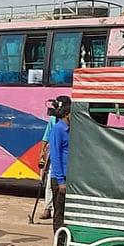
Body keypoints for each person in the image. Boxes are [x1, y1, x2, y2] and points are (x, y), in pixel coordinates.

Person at [48, 98, 71, 232]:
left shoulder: (70, 130)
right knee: (59, 213)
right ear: (67, 114)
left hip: (69, 176)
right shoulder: (58, 129)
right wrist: (61, 181)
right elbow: (55, 156)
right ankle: (59, 241)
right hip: (59, 178)